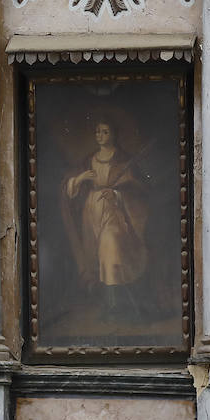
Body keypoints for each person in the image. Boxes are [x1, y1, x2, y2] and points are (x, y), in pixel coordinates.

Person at [62, 118, 148, 320]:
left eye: (105, 131)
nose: (100, 135)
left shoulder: (123, 160)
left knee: (111, 247)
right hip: (91, 213)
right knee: (98, 256)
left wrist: (117, 195)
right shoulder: (88, 160)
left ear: (114, 135)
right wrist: (80, 179)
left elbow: (139, 190)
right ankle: (109, 302)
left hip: (115, 212)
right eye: (98, 131)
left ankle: (115, 305)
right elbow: (69, 188)